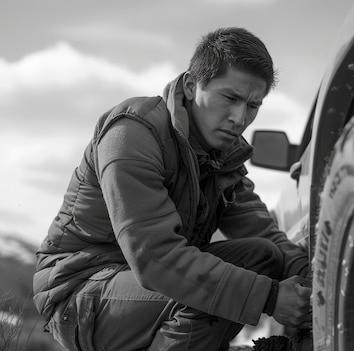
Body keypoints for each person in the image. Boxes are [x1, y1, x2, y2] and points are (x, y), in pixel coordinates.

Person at [32, 27, 312, 351]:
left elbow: (267, 236)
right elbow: (155, 258)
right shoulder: (132, 134)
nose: (240, 118)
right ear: (192, 86)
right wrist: (272, 297)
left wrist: (313, 282)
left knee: (263, 257)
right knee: (201, 290)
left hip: (142, 289)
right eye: (230, 98)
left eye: (253, 105)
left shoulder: (225, 159)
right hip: (78, 292)